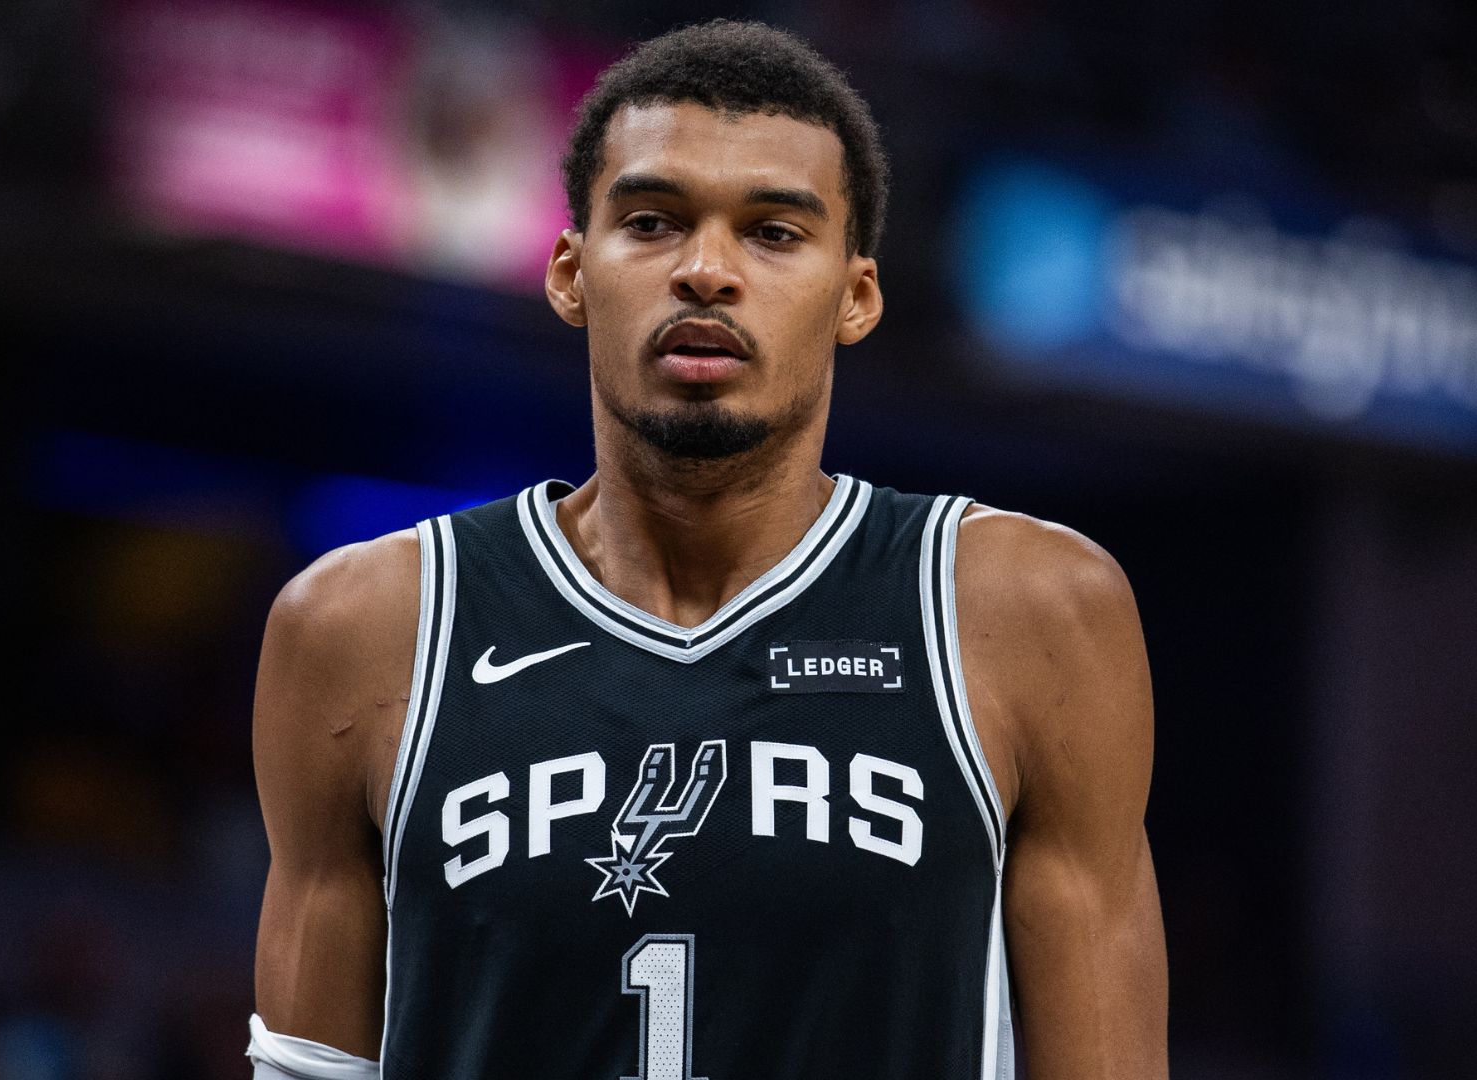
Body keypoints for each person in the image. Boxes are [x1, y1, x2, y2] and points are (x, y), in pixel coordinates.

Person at [247, 18, 1165, 1079]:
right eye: (652, 221)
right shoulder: (363, 628)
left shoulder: (1027, 612)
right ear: (570, 271)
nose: (708, 271)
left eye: (774, 232)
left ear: (855, 295)